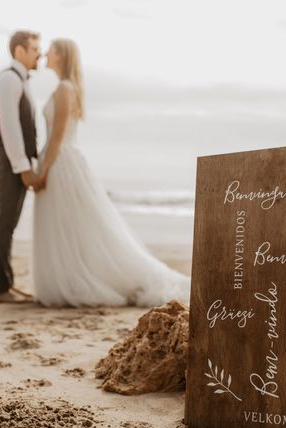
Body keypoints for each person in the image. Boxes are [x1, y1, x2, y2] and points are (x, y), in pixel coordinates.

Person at [32, 38, 190, 307]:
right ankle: (73, 277)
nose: (46, 53)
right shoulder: (69, 88)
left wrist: (42, 171)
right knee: (73, 227)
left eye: (51, 49)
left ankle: (80, 280)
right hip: (63, 160)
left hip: (61, 163)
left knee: (72, 226)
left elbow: (57, 136)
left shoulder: (63, 89)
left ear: (61, 55)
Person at [0, 30, 43, 303]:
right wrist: (23, 168)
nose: (39, 54)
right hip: (7, 157)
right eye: (35, 48)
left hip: (12, 158)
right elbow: (9, 128)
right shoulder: (9, 80)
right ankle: (0, 288)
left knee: (8, 222)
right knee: (5, 221)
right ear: (19, 50)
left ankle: (5, 283)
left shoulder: (21, 80)